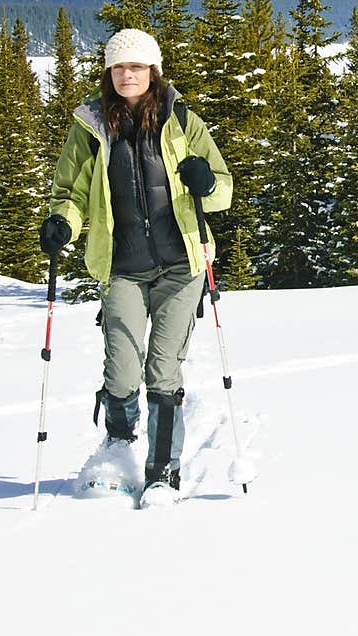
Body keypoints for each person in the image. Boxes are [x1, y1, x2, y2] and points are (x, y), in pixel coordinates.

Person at [39, 27, 232, 500]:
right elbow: (70, 194)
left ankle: (163, 472)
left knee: (163, 370)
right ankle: (118, 449)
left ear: (153, 70)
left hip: (180, 266)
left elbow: (223, 189)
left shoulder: (182, 121)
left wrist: (205, 182)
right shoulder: (91, 128)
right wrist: (62, 222)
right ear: (109, 72)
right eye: (119, 67)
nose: (128, 75)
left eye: (137, 66)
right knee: (122, 369)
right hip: (122, 266)